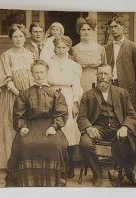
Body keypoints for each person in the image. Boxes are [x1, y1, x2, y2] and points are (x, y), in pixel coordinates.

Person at [6, 60, 69, 187]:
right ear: (32, 74)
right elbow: (18, 115)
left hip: (50, 125)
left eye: (42, 72)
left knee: (56, 144)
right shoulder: (24, 94)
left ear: (46, 73)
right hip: (30, 125)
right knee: (24, 143)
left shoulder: (56, 94)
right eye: (36, 72)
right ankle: (26, 181)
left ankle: (53, 181)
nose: (39, 75)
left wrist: (54, 126)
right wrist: (22, 127)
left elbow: (61, 114)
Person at [78, 64, 136, 187]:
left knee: (127, 142)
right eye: (100, 74)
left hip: (118, 128)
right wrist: (88, 127)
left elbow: (131, 114)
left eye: (106, 74)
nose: (103, 77)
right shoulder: (88, 95)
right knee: (85, 142)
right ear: (96, 76)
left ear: (111, 76)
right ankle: (97, 173)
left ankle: (126, 171)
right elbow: (82, 117)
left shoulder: (121, 93)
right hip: (98, 129)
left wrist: (124, 127)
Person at [0, 24, 34, 169]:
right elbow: (6, 78)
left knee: (28, 124)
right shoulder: (6, 55)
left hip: (28, 95)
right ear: (11, 38)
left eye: (21, 36)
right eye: (15, 36)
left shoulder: (31, 55)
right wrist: (19, 94)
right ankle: (11, 161)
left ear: (25, 37)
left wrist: (29, 95)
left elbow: (34, 74)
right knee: (13, 125)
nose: (18, 39)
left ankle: (27, 159)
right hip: (13, 95)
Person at [47, 36, 83, 178]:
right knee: (54, 127)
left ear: (69, 48)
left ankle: (69, 165)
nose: (61, 50)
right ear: (54, 48)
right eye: (58, 47)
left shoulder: (74, 66)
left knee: (69, 129)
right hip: (51, 97)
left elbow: (77, 86)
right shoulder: (48, 63)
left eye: (64, 47)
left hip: (68, 97)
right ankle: (55, 164)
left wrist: (75, 103)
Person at [104, 16, 136, 105]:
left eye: (116, 26)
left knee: (126, 113)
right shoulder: (106, 48)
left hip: (127, 86)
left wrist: (132, 85)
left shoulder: (133, 47)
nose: (113, 29)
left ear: (123, 27)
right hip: (110, 85)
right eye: (111, 27)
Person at [72, 17, 106, 92]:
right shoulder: (74, 49)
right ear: (79, 31)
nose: (86, 32)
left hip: (97, 81)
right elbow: (71, 70)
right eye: (83, 30)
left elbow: (105, 68)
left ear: (93, 30)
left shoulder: (100, 48)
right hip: (80, 81)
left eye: (89, 29)